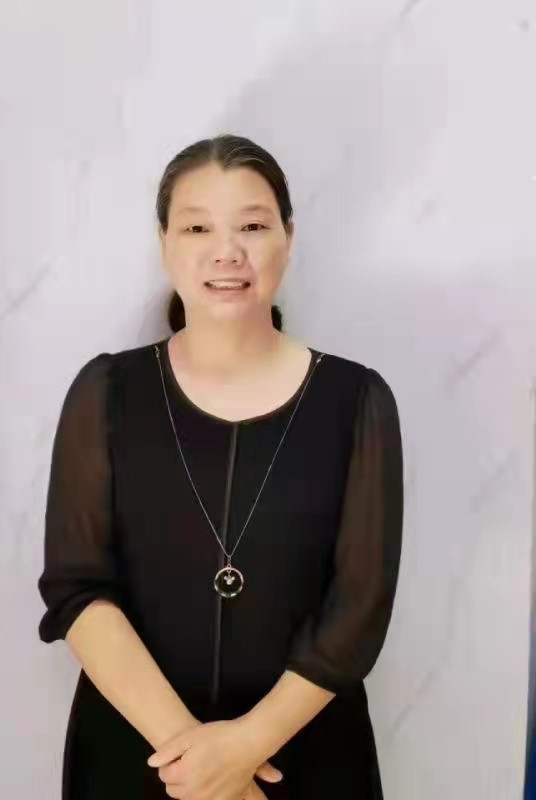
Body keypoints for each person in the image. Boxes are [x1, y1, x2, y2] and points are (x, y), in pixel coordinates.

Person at [37, 133, 404, 799]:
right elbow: (77, 588)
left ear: (288, 237)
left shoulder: (357, 400)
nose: (226, 251)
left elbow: (358, 610)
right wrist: (200, 764)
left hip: (306, 755)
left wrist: (245, 750)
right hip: (136, 753)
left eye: (253, 226)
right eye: (197, 227)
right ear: (165, 244)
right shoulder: (107, 392)